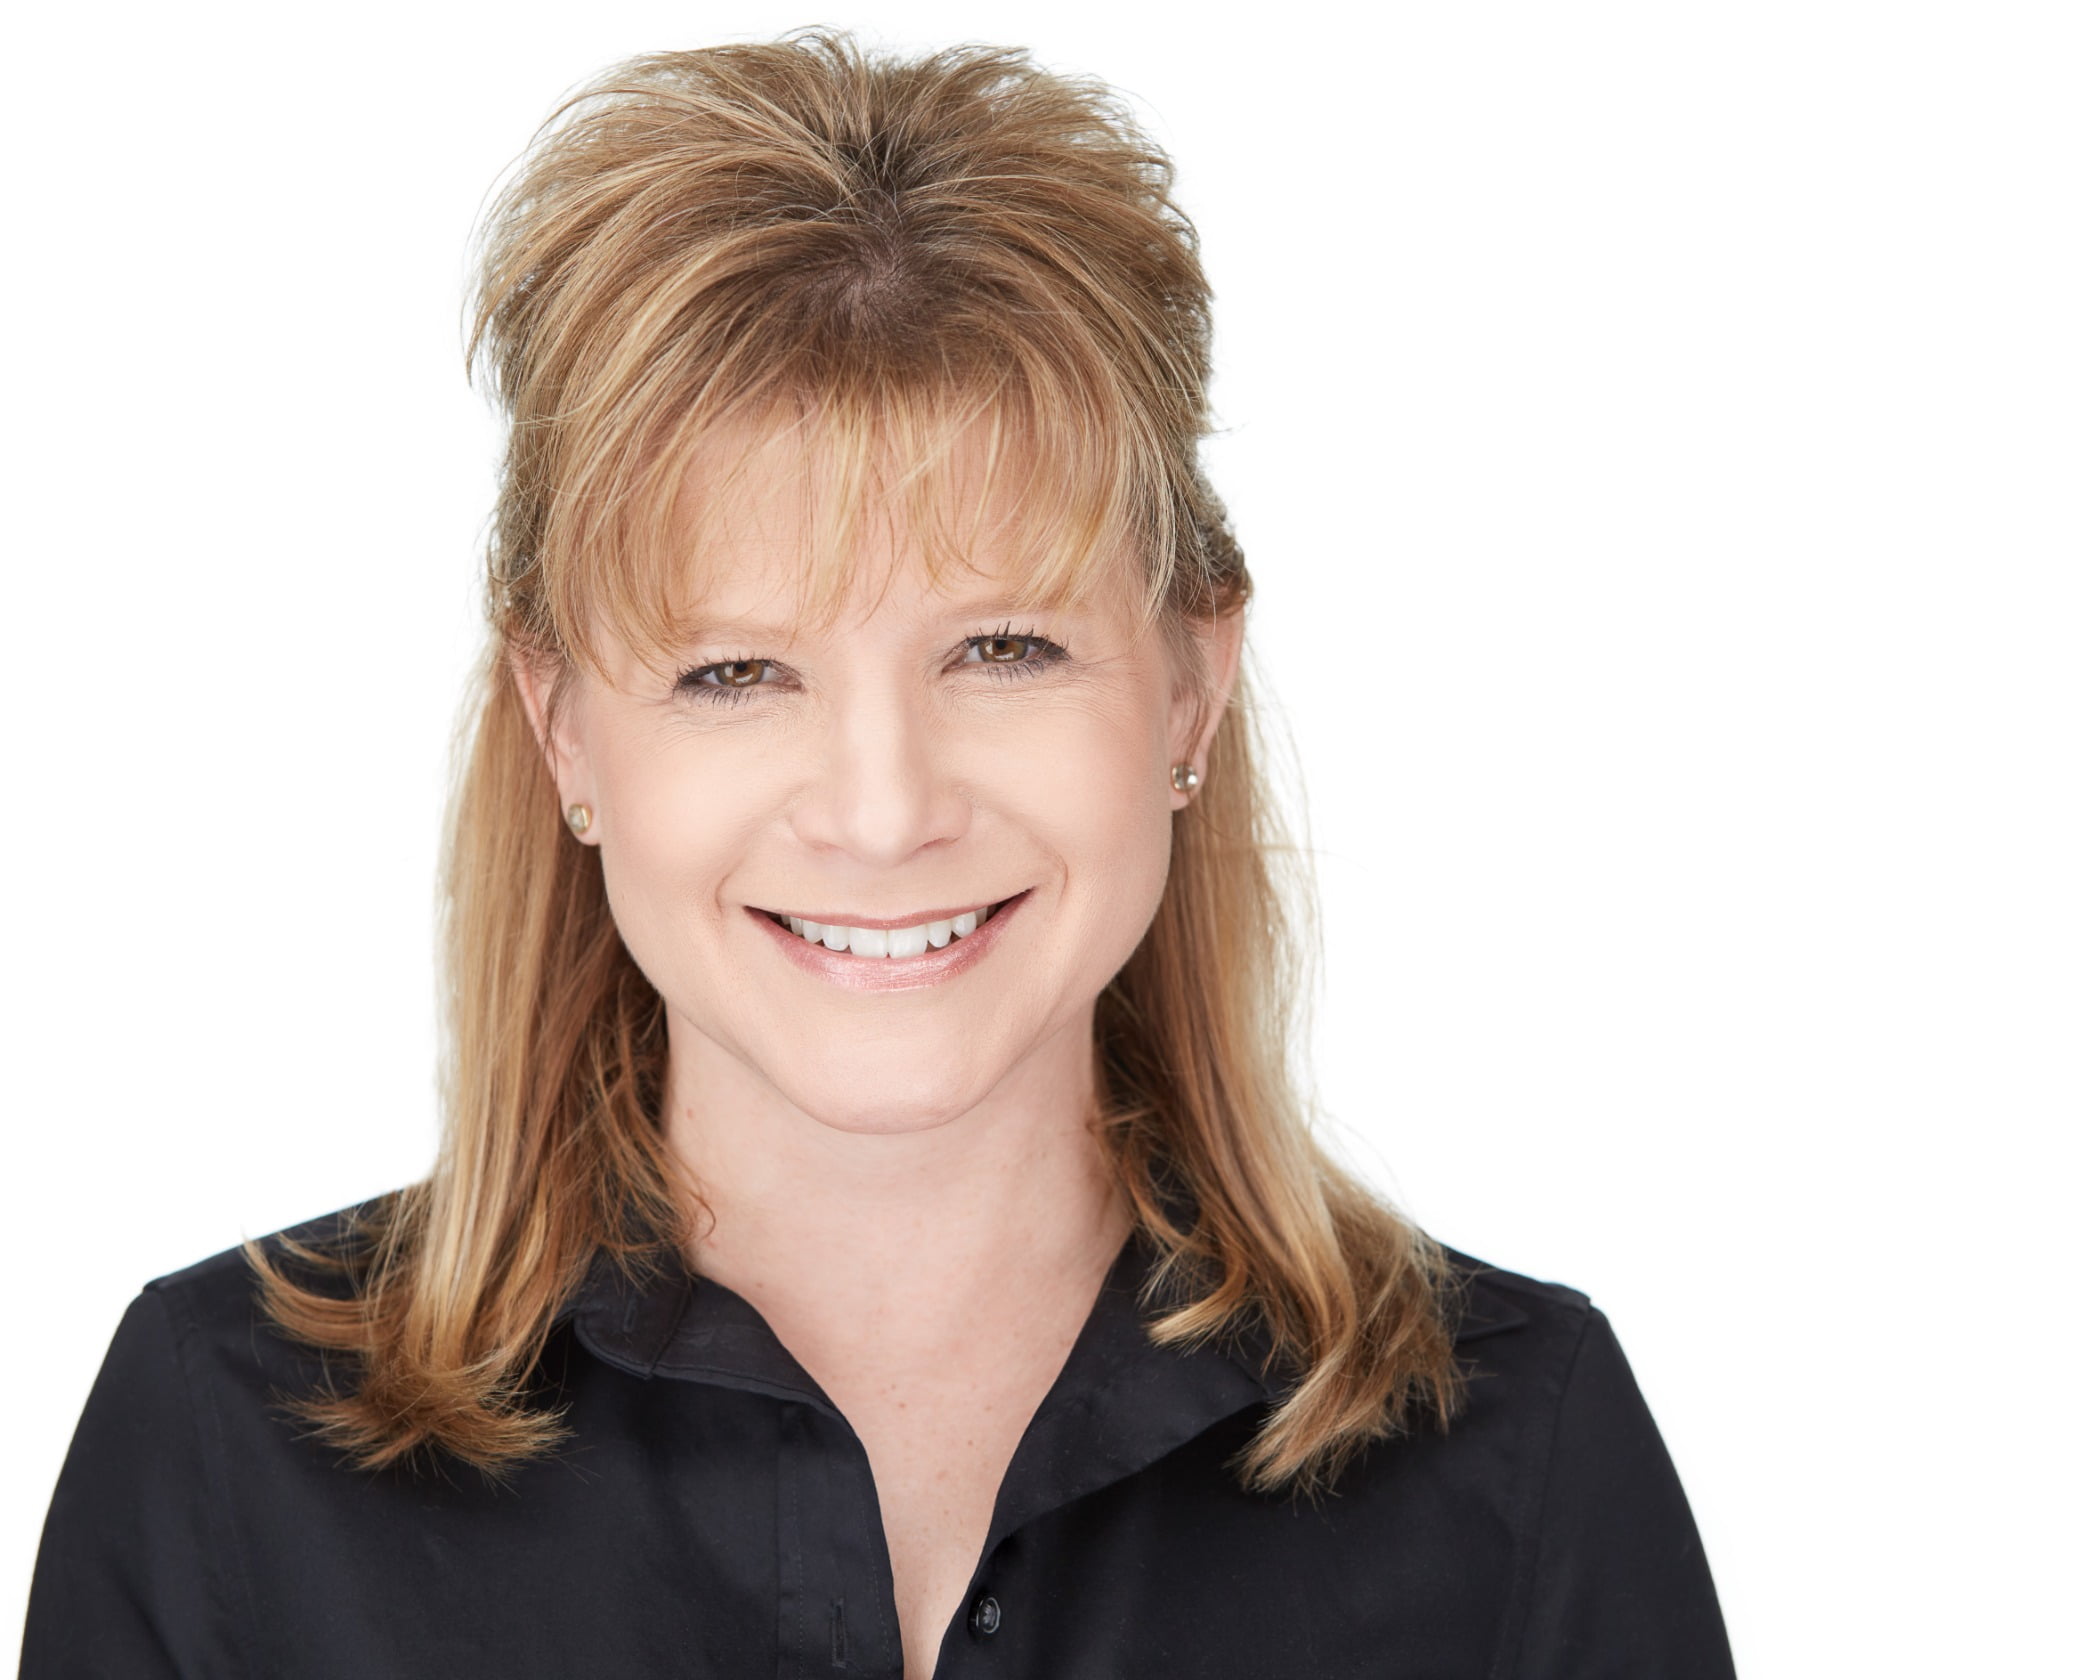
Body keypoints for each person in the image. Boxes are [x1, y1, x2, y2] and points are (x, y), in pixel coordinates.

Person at [21, 28, 1734, 1679]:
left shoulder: (1520, 1461)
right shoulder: (227, 1459)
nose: (883, 807)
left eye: (1001, 649)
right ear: (563, 733)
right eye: (736, 672)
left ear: (1192, 684)